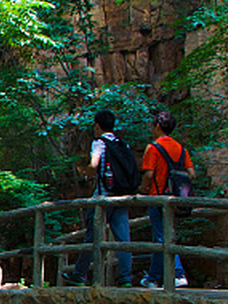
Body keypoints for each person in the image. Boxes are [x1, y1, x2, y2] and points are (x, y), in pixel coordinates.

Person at [68, 108, 135, 285]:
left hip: (103, 198)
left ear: (97, 126)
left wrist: (87, 172)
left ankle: (80, 274)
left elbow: (94, 163)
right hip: (121, 196)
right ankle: (126, 278)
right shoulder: (122, 144)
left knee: (92, 236)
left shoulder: (99, 143)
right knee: (123, 238)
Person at [138, 108, 193, 287]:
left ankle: (178, 274)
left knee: (163, 236)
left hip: (158, 197)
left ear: (158, 126)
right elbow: (191, 173)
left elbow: (149, 174)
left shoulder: (153, 148)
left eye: (153, 126)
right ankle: (153, 278)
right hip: (176, 199)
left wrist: (143, 189)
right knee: (160, 235)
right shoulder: (180, 148)